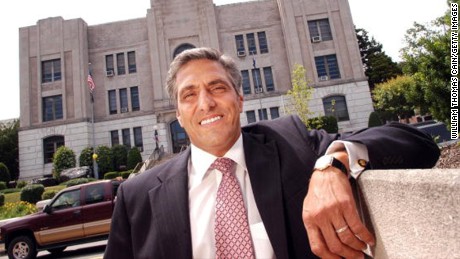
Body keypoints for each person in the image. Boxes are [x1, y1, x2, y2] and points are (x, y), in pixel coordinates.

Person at [104, 47, 439, 259]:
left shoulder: (290, 143)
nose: (205, 102)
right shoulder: (137, 198)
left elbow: (415, 143)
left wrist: (334, 163)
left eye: (217, 88)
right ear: (178, 114)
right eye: (189, 95)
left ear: (239, 99)